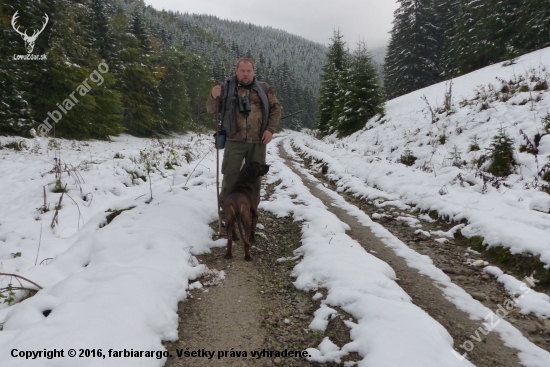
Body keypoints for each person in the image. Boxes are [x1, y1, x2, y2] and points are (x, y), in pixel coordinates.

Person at [206, 58, 282, 215]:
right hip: (234, 139)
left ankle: (251, 210)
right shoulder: (226, 88)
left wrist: (270, 130)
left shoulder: (264, 88)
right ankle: (226, 211)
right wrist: (213, 96)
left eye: (249, 71)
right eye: (242, 71)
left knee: (255, 179)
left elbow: (276, 109)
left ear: (254, 71)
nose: (245, 74)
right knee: (230, 176)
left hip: (258, 141)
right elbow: (211, 110)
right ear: (236, 71)